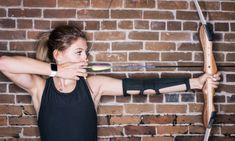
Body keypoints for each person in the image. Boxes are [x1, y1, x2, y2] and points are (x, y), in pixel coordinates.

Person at [0, 25, 220, 141]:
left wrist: (195, 82)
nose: (85, 58)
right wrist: (56, 71)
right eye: (79, 52)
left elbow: (145, 88)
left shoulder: (93, 85)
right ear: (58, 55)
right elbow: (4, 63)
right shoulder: (40, 89)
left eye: (86, 53)